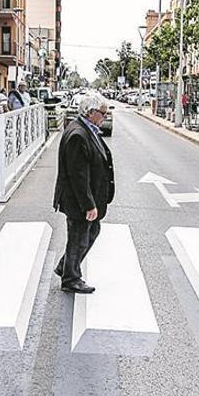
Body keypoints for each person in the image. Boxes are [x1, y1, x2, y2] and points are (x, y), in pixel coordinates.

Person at [52, 92, 115, 294]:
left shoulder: (87, 129)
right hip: (78, 200)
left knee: (90, 232)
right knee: (79, 236)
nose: (105, 117)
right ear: (90, 112)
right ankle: (71, 279)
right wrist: (88, 205)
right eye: (102, 113)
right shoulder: (78, 135)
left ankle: (66, 266)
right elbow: (78, 175)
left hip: (86, 198)